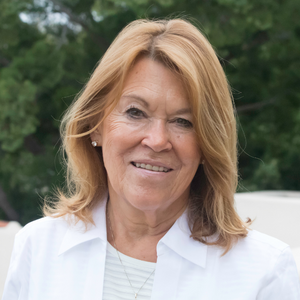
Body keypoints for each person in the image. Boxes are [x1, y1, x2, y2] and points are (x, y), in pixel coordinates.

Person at [2, 19, 300, 300]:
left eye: (183, 121)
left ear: (209, 144)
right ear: (96, 125)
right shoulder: (38, 248)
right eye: (135, 112)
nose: (157, 140)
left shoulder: (264, 272)